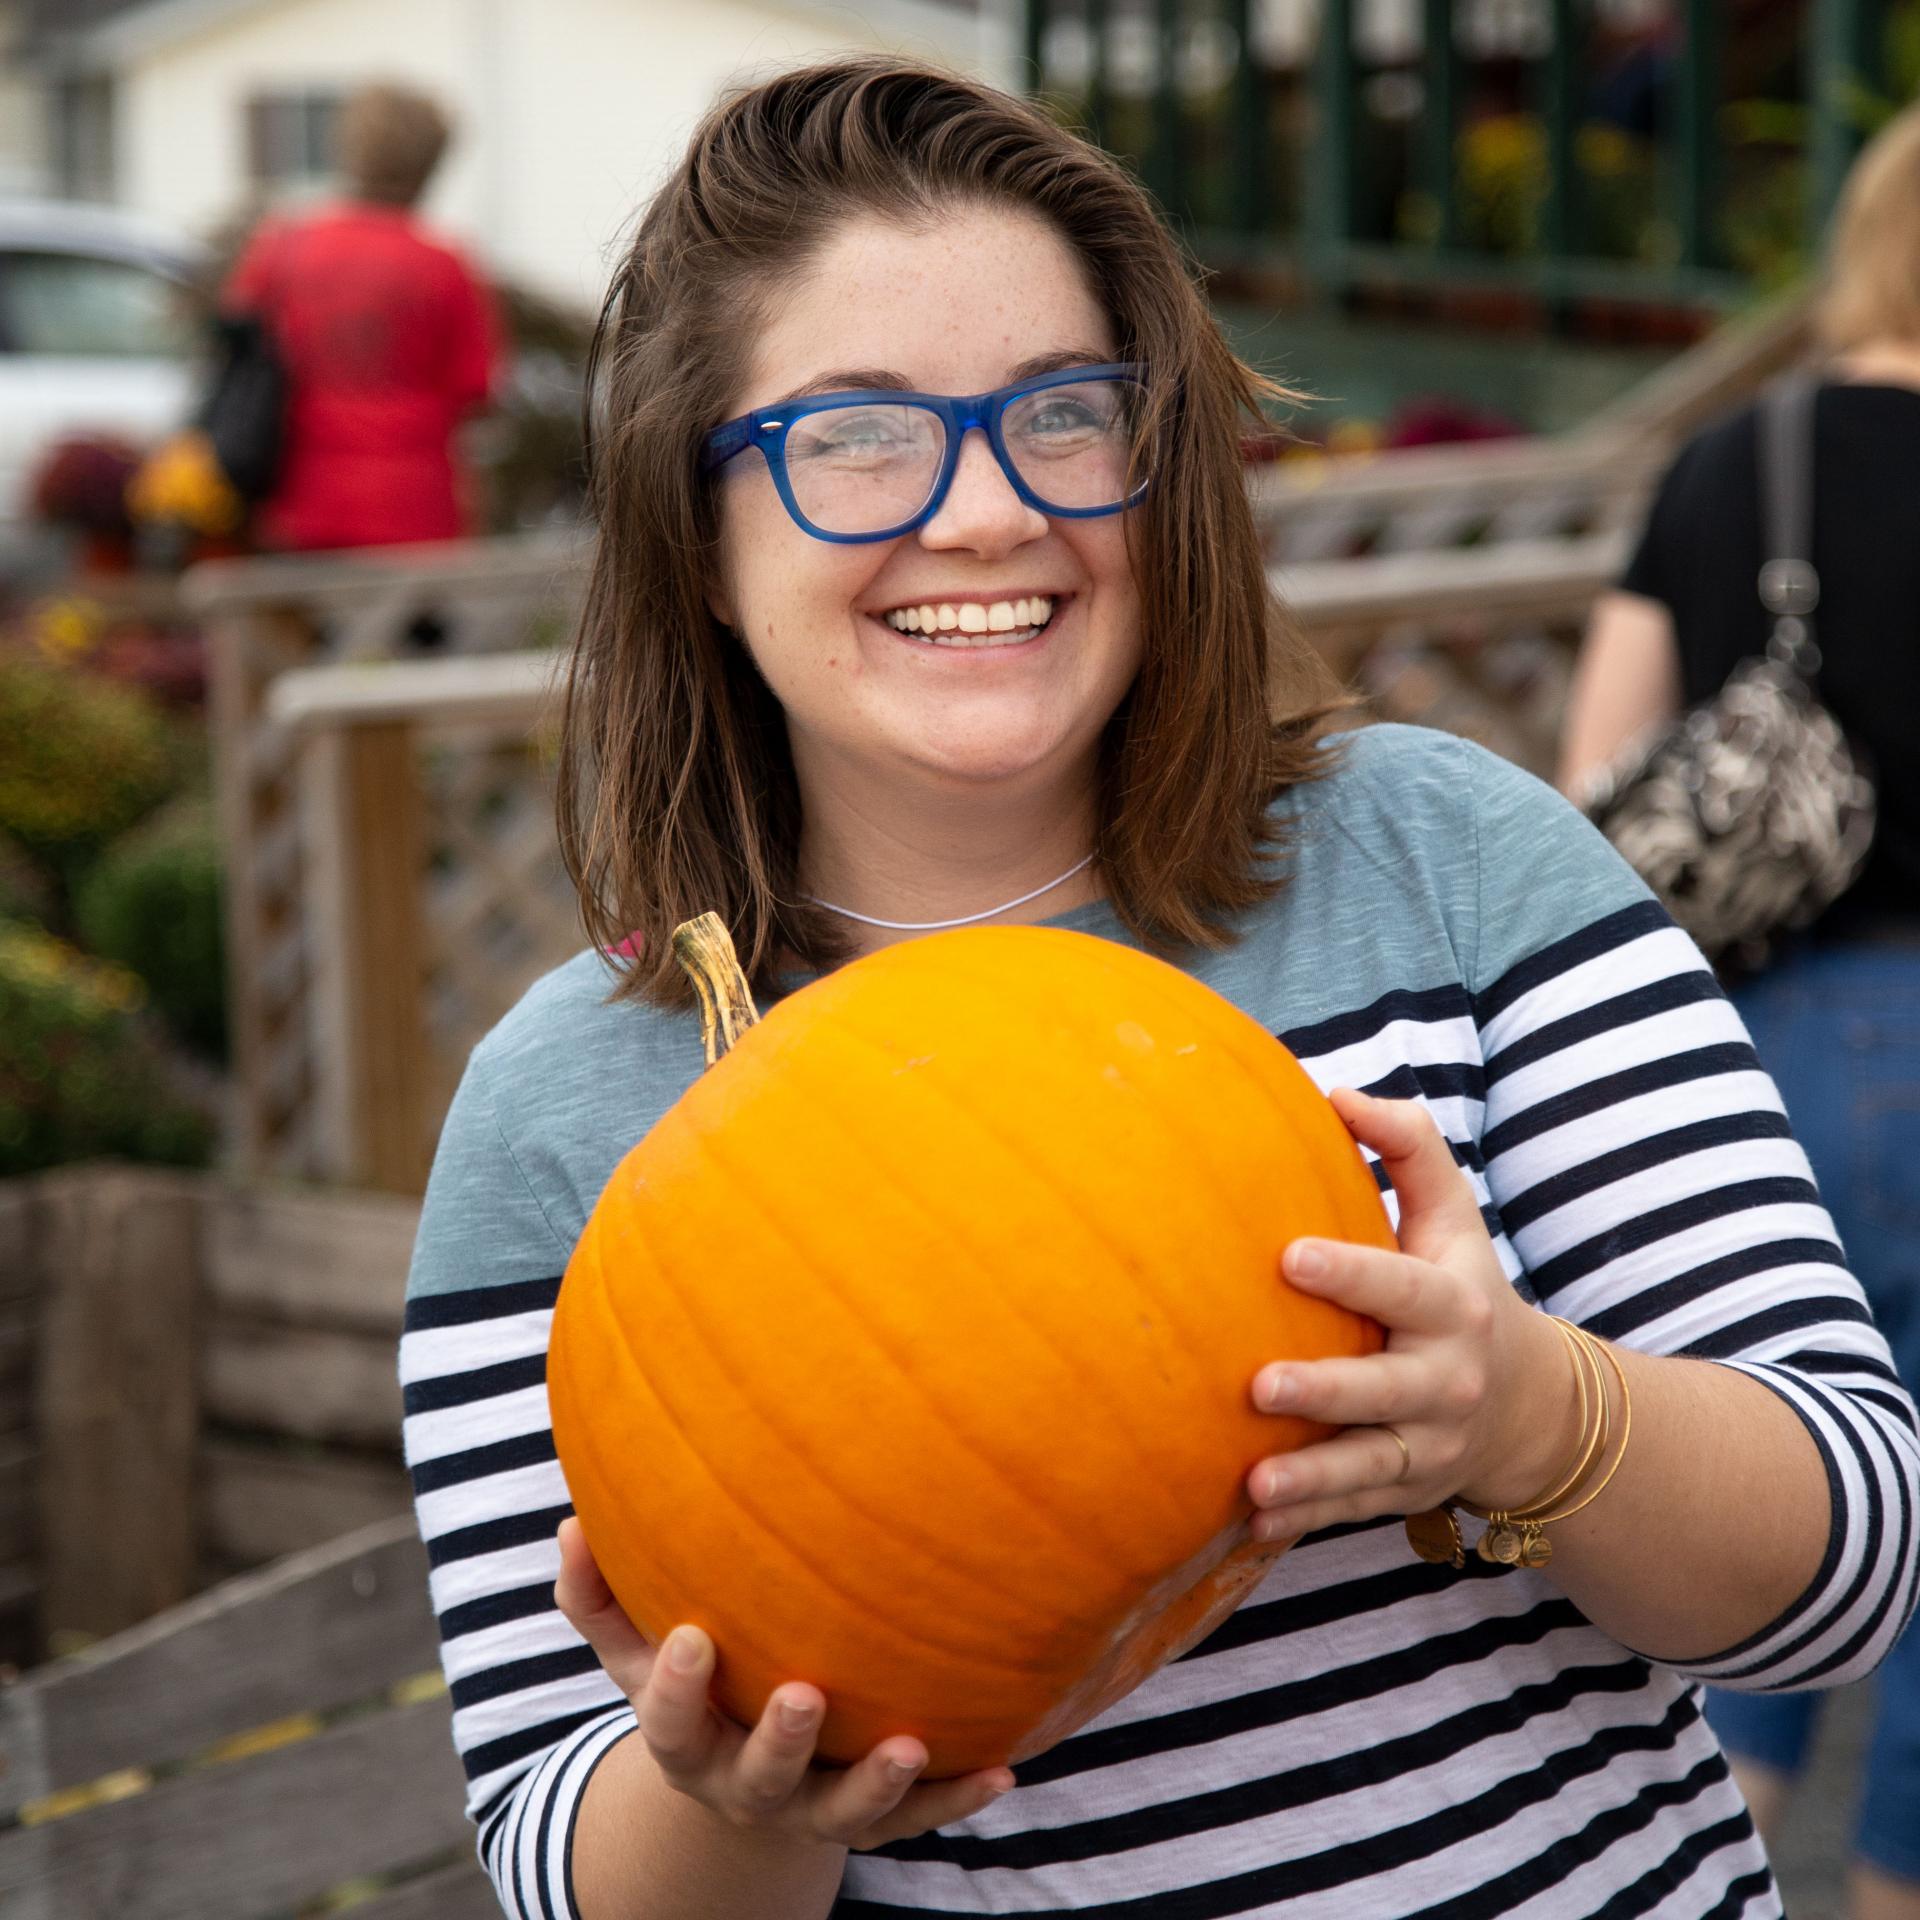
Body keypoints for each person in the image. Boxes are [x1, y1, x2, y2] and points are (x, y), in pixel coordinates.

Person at [401, 58, 1919, 1920]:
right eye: (855, 436)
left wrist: (1524, 1415)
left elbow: (1852, 1561)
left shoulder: (1448, 867)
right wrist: (741, 1801)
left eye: (1062, 415)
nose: (982, 513)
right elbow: (561, 1867)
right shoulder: (564, 1118)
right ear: (698, 532)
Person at [1558, 101, 1920, 1920]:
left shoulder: (1734, 457)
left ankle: (1737, 1846)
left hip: (1764, 1044)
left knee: (1775, 1452)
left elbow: (1601, 769)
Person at [220, 81, 500, 552]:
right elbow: (475, 389)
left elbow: (237, 352)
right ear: (431, 164)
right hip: (416, 510)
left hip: (297, 499)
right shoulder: (446, 265)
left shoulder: (280, 248)